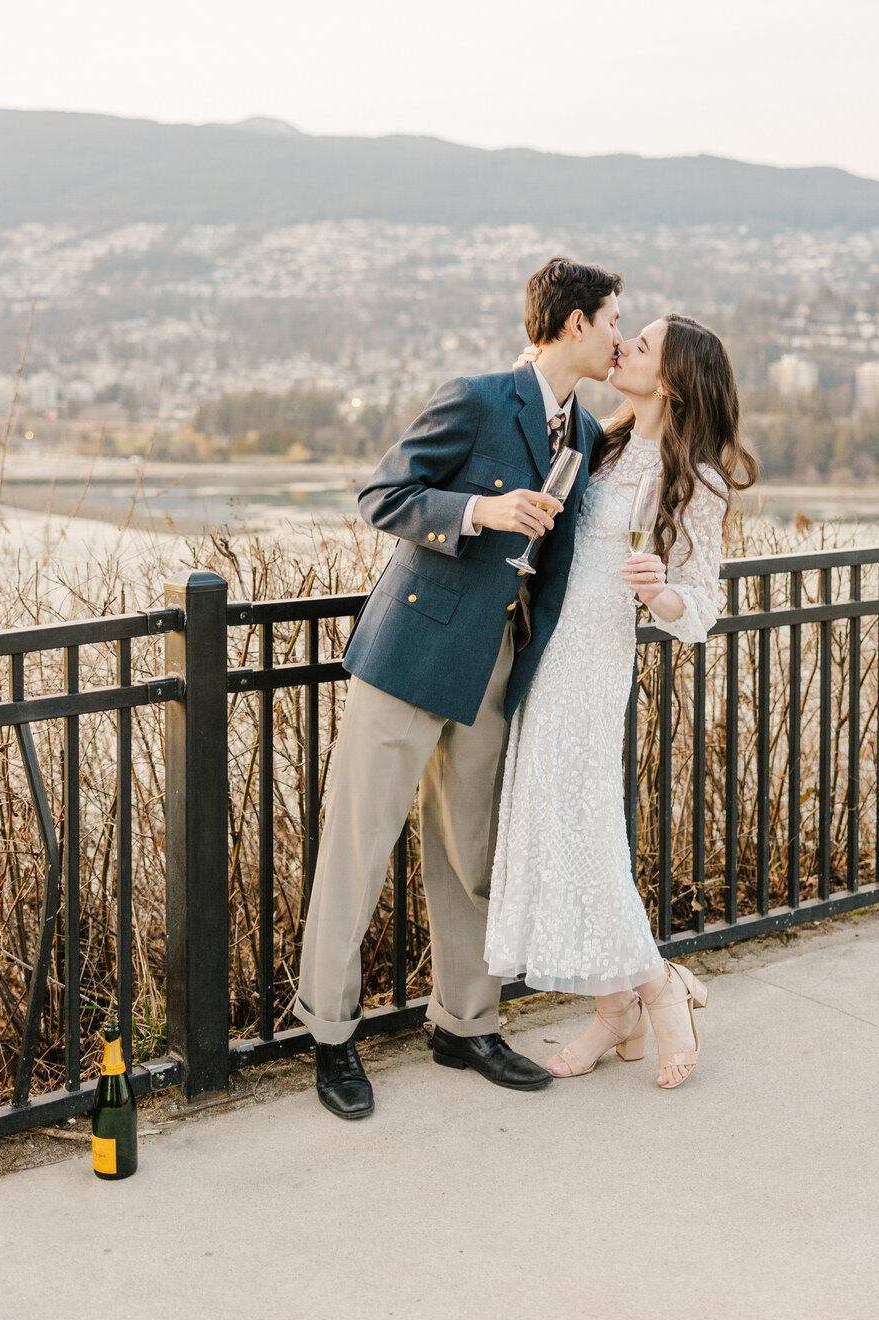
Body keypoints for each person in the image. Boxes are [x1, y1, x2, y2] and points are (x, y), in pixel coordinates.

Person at [295, 258, 624, 1118]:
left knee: (471, 860)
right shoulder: (479, 398)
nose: (622, 336)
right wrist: (481, 512)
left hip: (496, 669)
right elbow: (383, 492)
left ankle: (464, 1024)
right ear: (575, 323)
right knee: (357, 851)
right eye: (614, 319)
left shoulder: (584, 436)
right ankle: (331, 1040)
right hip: (410, 659)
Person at [486, 313, 758, 1086]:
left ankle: (655, 992)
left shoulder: (694, 478)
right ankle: (618, 1009)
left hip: (595, 664)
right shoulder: (598, 446)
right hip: (545, 657)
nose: (622, 348)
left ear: (669, 380)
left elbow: (700, 609)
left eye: (640, 345)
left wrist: (660, 592)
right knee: (557, 824)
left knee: (590, 835)